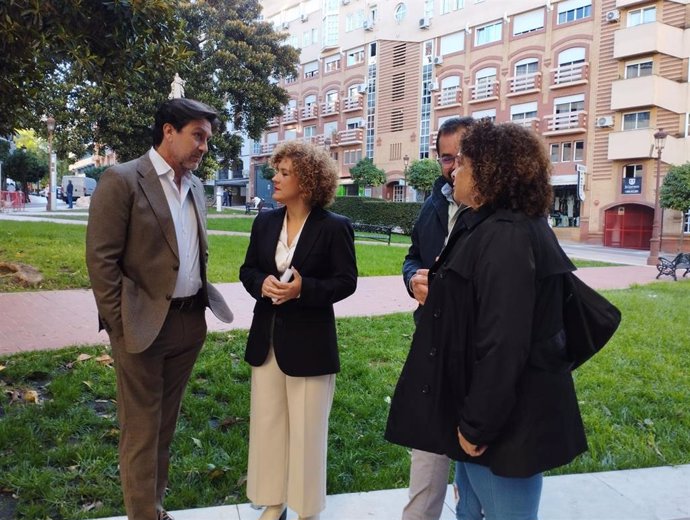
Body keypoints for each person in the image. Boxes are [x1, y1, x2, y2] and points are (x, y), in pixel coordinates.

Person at [386, 119, 588, 520]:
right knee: (470, 512)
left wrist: (476, 426)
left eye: (461, 161)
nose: (453, 170)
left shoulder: (508, 234)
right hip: (480, 413)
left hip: (502, 427)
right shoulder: (482, 223)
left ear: (488, 170)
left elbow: (504, 342)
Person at [85, 98, 234, 520]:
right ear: (169, 131)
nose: (205, 146)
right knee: (141, 430)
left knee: (164, 426)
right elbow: (101, 261)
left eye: (208, 138)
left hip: (190, 322)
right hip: (142, 327)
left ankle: (153, 506)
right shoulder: (123, 180)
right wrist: (119, 323)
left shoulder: (197, 186)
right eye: (198, 136)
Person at [239, 141, 357, 520]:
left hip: (310, 344)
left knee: (307, 432)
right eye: (277, 170)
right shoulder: (265, 222)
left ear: (306, 182)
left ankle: (306, 510)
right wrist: (263, 285)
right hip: (267, 340)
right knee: (268, 425)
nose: (274, 177)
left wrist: (303, 289)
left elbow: (346, 281)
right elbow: (248, 270)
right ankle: (273, 503)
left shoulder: (334, 228)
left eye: (284, 173)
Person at [400, 116, 473, 520]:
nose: (452, 165)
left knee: (474, 465)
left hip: (476, 352)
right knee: (426, 458)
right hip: (431, 343)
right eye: (446, 157)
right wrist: (414, 281)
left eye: (460, 155)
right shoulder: (433, 203)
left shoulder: (501, 214)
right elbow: (413, 257)